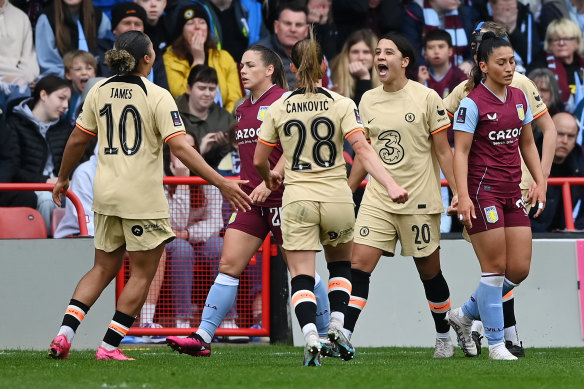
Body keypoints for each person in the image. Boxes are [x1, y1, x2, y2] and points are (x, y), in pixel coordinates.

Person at [47, 30, 251, 361]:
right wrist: (221, 182)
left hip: (106, 195)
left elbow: (76, 141)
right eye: (153, 49)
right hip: (141, 198)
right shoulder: (156, 95)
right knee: (144, 273)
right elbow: (182, 149)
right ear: (146, 59)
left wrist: (62, 178)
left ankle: (63, 336)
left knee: (101, 268)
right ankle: (109, 347)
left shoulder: (97, 90)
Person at [166, 44, 333, 357]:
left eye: (250, 65)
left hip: (285, 198)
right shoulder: (242, 109)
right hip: (250, 201)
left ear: (269, 69)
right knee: (228, 264)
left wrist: (271, 183)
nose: (242, 70)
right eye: (240, 65)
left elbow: (298, 146)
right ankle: (202, 337)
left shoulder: (286, 101)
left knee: (301, 272)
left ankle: (326, 337)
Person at [254, 32, 408, 366]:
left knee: (302, 275)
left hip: (298, 200)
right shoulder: (342, 104)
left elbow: (257, 160)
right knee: (340, 267)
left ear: (292, 68)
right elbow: (363, 150)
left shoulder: (278, 106)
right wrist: (391, 184)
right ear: (325, 65)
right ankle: (337, 325)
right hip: (338, 198)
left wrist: (270, 178)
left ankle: (311, 334)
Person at [340, 32, 458, 359]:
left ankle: (444, 334)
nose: (380, 56)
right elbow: (366, 153)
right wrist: (349, 191)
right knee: (359, 265)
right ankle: (344, 336)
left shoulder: (427, 98)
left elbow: (444, 153)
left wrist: (460, 192)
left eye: (387, 52)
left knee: (429, 272)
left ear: (404, 61)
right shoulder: (367, 100)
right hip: (378, 198)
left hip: (419, 200)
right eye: (378, 51)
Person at [443, 20, 557, 357]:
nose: (509, 69)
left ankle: (464, 315)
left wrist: (539, 181)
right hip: (483, 192)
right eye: (501, 63)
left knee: (518, 269)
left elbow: (527, 144)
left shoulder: (520, 96)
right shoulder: (471, 103)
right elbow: (459, 152)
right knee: (493, 269)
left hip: (513, 191)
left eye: (512, 62)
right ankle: (496, 344)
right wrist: (462, 196)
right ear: (483, 65)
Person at [0, 75, 72, 232]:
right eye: (61, 98)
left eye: (68, 101)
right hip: (33, 187)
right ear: (44, 95)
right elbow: (14, 168)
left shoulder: (66, 128)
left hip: (62, 187)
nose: (66, 105)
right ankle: (46, 248)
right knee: (46, 200)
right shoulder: (15, 124)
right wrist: (46, 181)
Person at [163, 2, 241, 111]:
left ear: (208, 29)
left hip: (222, 122)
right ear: (181, 31)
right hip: (188, 120)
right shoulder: (170, 58)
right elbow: (180, 96)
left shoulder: (223, 57)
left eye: (202, 22)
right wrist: (198, 59)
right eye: (190, 23)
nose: (197, 27)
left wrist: (223, 121)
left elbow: (234, 98)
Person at [95, 2, 169, 90]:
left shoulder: (154, 55)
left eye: (137, 24)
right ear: (114, 30)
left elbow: (163, 90)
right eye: (127, 23)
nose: (132, 28)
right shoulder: (100, 52)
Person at [531, 112, 584, 231]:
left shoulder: (580, 165)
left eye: (570, 136)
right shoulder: (526, 159)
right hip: (529, 235)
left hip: (561, 236)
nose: (565, 141)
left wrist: (576, 230)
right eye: (560, 134)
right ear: (546, 132)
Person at [35, 0, 112, 78]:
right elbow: (48, 64)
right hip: (62, 80)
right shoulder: (47, 18)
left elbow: (105, 53)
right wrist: (72, 76)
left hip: (96, 78)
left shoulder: (99, 16)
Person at [176, 65, 233, 168]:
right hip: (180, 180)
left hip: (217, 179)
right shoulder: (173, 114)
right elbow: (167, 158)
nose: (207, 93)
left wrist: (224, 147)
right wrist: (200, 150)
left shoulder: (225, 117)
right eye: (202, 88)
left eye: (212, 89)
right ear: (189, 88)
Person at [256, 3, 310, 89]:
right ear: (276, 26)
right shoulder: (258, 53)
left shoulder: (314, 53)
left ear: (307, 30)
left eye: (298, 25)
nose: (293, 29)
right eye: (288, 23)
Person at [0, 0, 39, 112]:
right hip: (12, 76)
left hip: (19, 77)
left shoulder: (21, 17)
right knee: (19, 86)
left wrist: (28, 77)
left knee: (51, 86)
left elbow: (29, 56)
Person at [541, 18, 584, 113]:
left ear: (577, 42)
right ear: (549, 43)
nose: (561, 43)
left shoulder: (582, 64)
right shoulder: (541, 66)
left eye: (567, 38)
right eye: (556, 39)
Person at [330, 28, 380, 106]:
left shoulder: (385, 76)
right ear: (347, 54)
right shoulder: (333, 71)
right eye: (355, 52)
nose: (361, 57)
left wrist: (364, 78)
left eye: (366, 52)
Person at [417, 29, 468, 99]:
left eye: (441, 46)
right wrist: (420, 85)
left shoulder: (461, 78)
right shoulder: (417, 77)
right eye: (430, 48)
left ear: (450, 51)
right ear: (425, 53)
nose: (436, 51)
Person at [63, 51, 98, 125]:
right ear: (68, 75)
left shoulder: (99, 96)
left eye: (89, 68)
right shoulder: (66, 97)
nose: (84, 72)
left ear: (95, 73)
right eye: (78, 69)